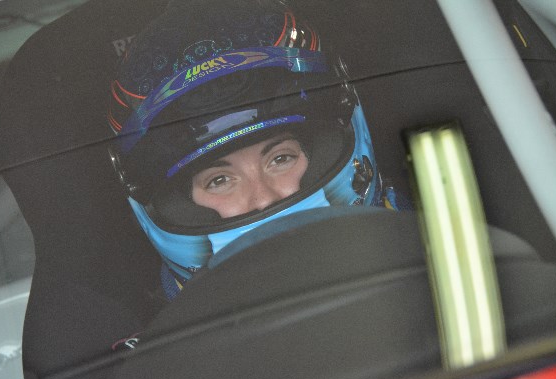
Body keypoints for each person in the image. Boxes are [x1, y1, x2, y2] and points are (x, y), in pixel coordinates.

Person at [107, 0, 409, 301]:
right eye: (219, 180)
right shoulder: (143, 332)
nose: (263, 198)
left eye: (280, 158)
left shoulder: (431, 244)